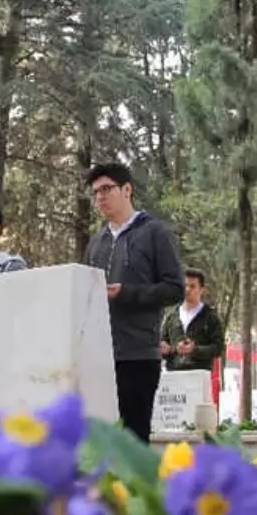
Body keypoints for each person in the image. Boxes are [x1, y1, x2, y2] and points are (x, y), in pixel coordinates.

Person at [82, 162, 183, 443]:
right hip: (99, 357)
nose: (100, 197)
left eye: (106, 189)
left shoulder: (154, 233)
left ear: (127, 190)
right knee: (100, 444)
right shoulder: (96, 242)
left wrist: (126, 293)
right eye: (95, 192)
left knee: (133, 442)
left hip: (138, 354)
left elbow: (174, 288)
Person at [161, 268, 225, 372]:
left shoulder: (211, 317)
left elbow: (218, 348)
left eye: (192, 286)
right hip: (174, 375)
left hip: (199, 375)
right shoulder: (171, 316)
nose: (187, 289)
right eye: (185, 285)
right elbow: (163, 343)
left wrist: (195, 350)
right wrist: (168, 349)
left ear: (202, 289)